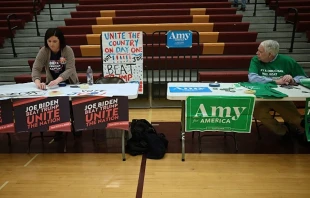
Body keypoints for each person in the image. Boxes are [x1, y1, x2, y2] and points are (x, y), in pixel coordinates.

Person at [248, 40, 307, 140]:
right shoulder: (256, 60)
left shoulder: (287, 61)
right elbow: (253, 78)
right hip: (262, 96)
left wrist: (292, 79)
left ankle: (298, 126)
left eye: (260, 51)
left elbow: (303, 77)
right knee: (257, 110)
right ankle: (285, 131)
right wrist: (276, 81)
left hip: (282, 96)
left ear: (270, 54)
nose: (257, 53)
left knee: (277, 100)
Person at [31, 28, 80, 141]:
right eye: (49, 41)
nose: (51, 44)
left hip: (69, 83)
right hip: (53, 84)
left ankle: (76, 126)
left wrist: (58, 79)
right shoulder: (44, 51)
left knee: (72, 105)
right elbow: (36, 68)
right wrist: (38, 82)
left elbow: (70, 68)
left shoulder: (67, 50)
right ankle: (58, 129)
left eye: (54, 41)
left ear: (60, 41)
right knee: (56, 105)